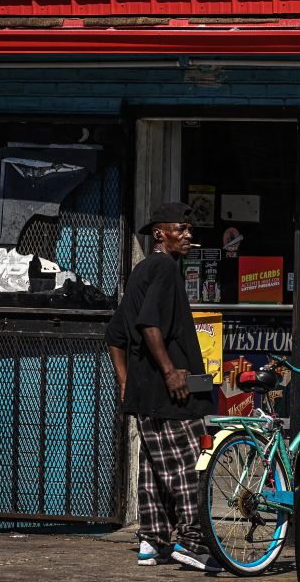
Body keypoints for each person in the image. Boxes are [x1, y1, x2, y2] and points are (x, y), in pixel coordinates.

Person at [105, 202, 220, 571]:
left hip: (144, 392)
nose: (189, 235)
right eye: (181, 228)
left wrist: (126, 384)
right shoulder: (165, 267)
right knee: (188, 466)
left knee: (155, 467)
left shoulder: (141, 271)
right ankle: (192, 540)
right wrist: (171, 371)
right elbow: (149, 325)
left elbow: (115, 336)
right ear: (159, 233)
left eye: (189, 229)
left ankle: (152, 542)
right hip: (171, 391)